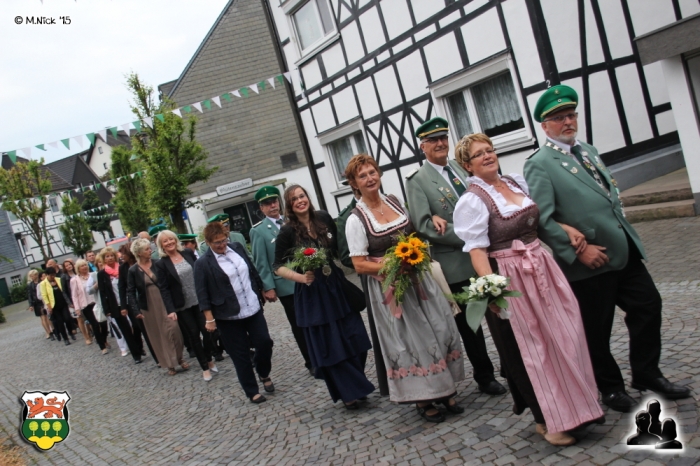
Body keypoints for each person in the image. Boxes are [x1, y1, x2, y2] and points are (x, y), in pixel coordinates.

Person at [523, 84, 691, 411]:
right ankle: (610, 388)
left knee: (648, 306)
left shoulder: (587, 150)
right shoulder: (540, 163)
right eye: (558, 118)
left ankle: (647, 373)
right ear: (544, 126)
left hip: (622, 249)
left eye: (571, 115)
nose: (567, 122)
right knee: (597, 329)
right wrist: (577, 250)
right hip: (590, 259)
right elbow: (541, 218)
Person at [453, 133, 603, 445]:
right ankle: (550, 421)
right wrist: (493, 290)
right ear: (468, 165)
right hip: (511, 276)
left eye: (490, 150)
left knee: (567, 333)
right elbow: (477, 251)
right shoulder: (472, 200)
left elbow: (539, 220)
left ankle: (580, 407)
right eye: (479, 154)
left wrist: (565, 228)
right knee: (536, 348)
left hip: (541, 265)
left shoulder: (515, 182)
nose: (488, 156)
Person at [345, 154, 465, 422]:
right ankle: (423, 398)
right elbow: (359, 264)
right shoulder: (356, 219)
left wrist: (433, 217)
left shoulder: (394, 201)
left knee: (438, 328)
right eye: (362, 176)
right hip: (391, 289)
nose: (370, 178)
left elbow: (414, 232)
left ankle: (445, 389)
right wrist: (393, 265)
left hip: (419, 279)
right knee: (412, 340)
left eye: (372, 172)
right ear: (354, 183)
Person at [405, 117, 505, 396]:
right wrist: (471, 234)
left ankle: (510, 364)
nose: (440, 143)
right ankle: (485, 376)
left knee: (501, 312)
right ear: (423, 146)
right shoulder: (417, 181)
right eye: (433, 140)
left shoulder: (462, 167)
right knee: (472, 324)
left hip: (485, 253)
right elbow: (424, 225)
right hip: (456, 263)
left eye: (443, 138)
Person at [274, 184, 375, 409]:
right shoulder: (287, 231)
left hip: (336, 285)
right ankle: (349, 393)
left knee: (356, 337)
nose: (300, 201)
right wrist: (301, 278)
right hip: (313, 293)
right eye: (294, 199)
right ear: (289, 206)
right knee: (331, 344)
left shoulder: (323, 218)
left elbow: (341, 248)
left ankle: (355, 384)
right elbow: (277, 266)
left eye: (302, 196)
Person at [194, 222, 274, 403]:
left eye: (224, 240)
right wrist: (209, 318)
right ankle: (252, 391)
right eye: (217, 243)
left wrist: (261, 289)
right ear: (208, 242)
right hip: (227, 315)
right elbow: (202, 293)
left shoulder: (237, 247)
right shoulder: (203, 263)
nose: (222, 245)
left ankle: (263, 372)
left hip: (252, 306)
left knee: (264, 342)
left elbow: (251, 271)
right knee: (240, 354)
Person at [250, 185, 313, 375]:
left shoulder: (292, 221)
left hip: (306, 278)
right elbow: (261, 262)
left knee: (315, 317)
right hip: (286, 285)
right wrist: (268, 286)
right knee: (299, 324)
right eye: (267, 203)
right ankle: (310, 361)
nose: (272, 206)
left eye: (274, 201)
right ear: (261, 208)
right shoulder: (259, 231)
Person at [154, 229, 218, 381]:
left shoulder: (188, 253)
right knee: (194, 335)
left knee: (208, 332)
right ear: (161, 245)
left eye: (171, 239)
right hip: (182, 305)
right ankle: (204, 367)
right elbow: (164, 288)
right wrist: (170, 309)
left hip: (199, 300)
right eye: (165, 241)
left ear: (175, 240)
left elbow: (200, 272)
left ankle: (209, 358)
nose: (169, 242)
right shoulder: (161, 264)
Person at [127, 238, 186, 376]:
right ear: (139, 253)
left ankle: (179, 357)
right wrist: (135, 310)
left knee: (174, 329)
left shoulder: (158, 263)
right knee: (158, 335)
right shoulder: (133, 270)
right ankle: (169, 364)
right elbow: (130, 291)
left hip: (164, 300)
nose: (150, 251)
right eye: (147, 249)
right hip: (148, 306)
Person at [97, 247, 144, 364]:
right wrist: (106, 309)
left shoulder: (123, 268)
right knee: (126, 330)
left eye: (112, 255)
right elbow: (102, 293)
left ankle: (139, 345)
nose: (110, 258)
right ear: (103, 259)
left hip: (129, 301)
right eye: (107, 256)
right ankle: (136, 355)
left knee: (137, 325)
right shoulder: (102, 274)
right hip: (115, 305)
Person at [118, 243, 157, 364]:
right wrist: (124, 306)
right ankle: (156, 357)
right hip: (135, 303)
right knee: (144, 329)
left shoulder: (142, 263)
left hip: (150, 298)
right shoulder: (123, 268)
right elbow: (122, 288)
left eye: (123, 254)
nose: (121, 256)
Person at [72, 259, 106, 350]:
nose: (84, 267)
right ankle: (102, 346)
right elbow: (74, 295)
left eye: (85, 265)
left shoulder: (93, 275)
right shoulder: (74, 280)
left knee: (103, 323)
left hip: (97, 302)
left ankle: (103, 339)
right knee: (95, 324)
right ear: (78, 268)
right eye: (82, 266)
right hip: (86, 305)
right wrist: (77, 308)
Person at [40, 267, 74, 345]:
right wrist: (49, 306)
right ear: (47, 275)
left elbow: (64, 290)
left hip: (63, 303)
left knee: (67, 318)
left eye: (54, 274)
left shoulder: (58, 279)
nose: (53, 276)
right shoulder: (43, 284)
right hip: (54, 306)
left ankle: (70, 332)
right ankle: (65, 338)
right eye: (51, 275)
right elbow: (44, 296)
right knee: (60, 321)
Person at [87, 256, 111, 354]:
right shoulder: (93, 275)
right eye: (99, 262)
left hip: (112, 302)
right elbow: (89, 291)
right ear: (96, 264)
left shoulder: (110, 271)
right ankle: (102, 344)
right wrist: (96, 285)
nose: (101, 264)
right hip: (101, 303)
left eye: (103, 261)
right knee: (102, 325)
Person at [27, 270, 53, 340]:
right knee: (43, 317)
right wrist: (31, 305)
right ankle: (48, 332)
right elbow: (30, 295)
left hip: (44, 301)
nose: (31, 277)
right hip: (37, 303)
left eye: (32, 275)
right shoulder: (30, 285)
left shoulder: (41, 282)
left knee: (48, 317)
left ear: (36, 275)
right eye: (30, 276)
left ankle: (52, 330)